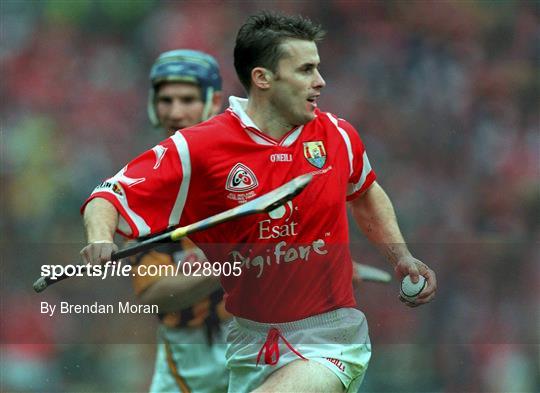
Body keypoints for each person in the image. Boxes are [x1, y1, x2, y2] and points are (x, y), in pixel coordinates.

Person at [80, 12, 437, 393]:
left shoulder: (337, 135)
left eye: (317, 68)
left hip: (330, 339)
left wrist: (400, 257)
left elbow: (364, 192)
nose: (320, 81)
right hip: (250, 343)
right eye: (305, 70)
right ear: (263, 78)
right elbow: (109, 194)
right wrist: (100, 237)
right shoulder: (198, 148)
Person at [132, 49, 229, 392]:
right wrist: (234, 260)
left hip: (263, 340)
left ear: (214, 100)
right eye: (166, 99)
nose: (175, 112)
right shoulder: (146, 189)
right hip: (189, 361)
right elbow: (156, 293)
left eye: (187, 99)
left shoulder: (250, 166)